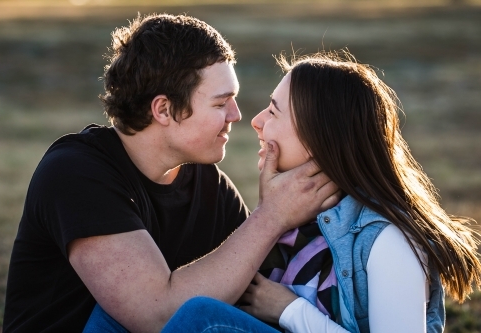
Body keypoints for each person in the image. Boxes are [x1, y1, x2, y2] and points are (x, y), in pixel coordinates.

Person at [2, 14, 340, 332]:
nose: (237, 115)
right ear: (163, 109)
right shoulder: (76, 173)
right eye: (221, 103)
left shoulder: (208, 185)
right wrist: (271, 217)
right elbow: (155, 315)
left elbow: (256, 292)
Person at [157, 51, 481, 333]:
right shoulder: (299, 223)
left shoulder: (386, 240)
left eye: (273, 111)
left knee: (202, 318)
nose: (255, 121)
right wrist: (269, 212)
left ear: (317, 137)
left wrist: (289, 310)